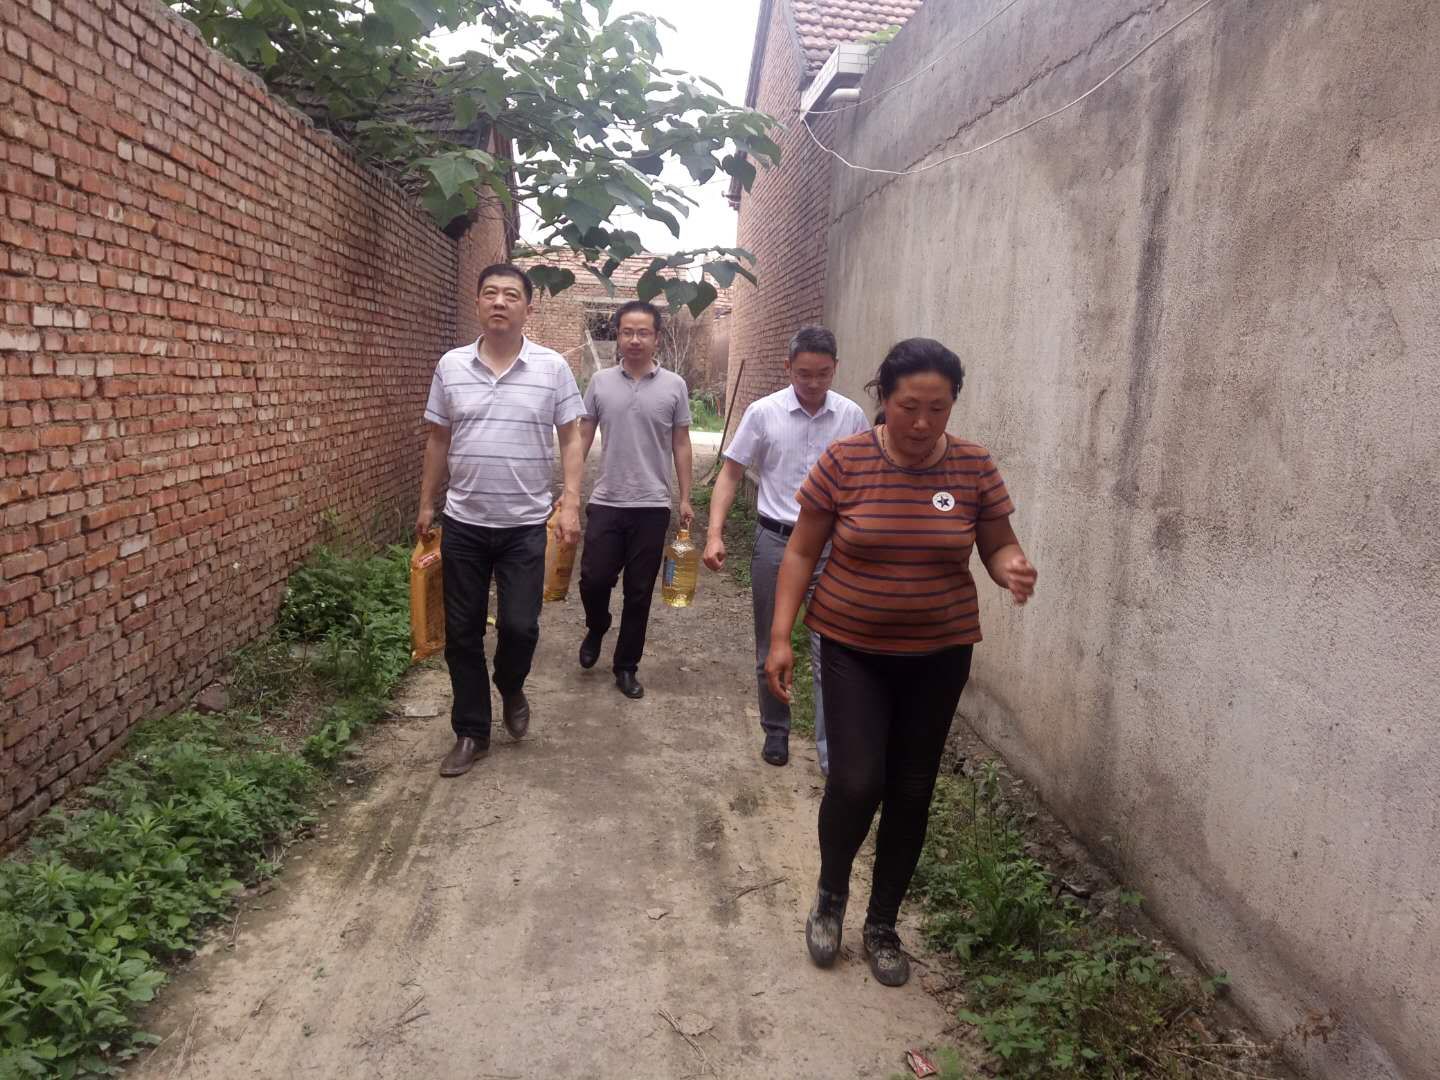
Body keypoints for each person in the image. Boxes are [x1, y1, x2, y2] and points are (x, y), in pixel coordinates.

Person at [764, 338, 1037, 987]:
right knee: (858, 781)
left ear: (952, 406)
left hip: (939, 655)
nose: (921, 422)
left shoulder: (973, 466)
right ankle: (831, 897)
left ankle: (883, 923)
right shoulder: (845, 460)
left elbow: (997, 544)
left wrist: (1012, 568)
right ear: (884, 398)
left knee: (913, 789)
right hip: (853, 648)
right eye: (909, 406)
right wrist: (780, 637)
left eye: (937, 409)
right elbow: (801, 551)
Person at [417, 263, 585, 778]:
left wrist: (571, 501)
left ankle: (510, 685)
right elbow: (438, 439)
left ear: (527, 308)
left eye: (511, 295)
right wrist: (426, 503)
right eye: (489, 292)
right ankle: (472, 732)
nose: (499, 302)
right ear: (477, 303)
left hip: (524, 524)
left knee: (520, 626)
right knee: (463, 632)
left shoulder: (552, 368)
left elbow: (572, 436)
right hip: (464, 522)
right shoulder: (451, 366)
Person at [703, 326, 868, 771]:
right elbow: (731, 474)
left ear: (835, 368)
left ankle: (832, 750)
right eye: (804, 374)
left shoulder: (851, 416)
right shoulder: (764, 413)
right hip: (777, 541)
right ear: (788, 368)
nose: (813, 383)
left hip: (833, 548)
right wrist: (714, 533)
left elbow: (865, 482)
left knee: (831, 650)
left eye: (823, 374)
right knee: (770, 642)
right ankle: (776, 730)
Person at [576, 300, 694, 700]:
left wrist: (685, 497)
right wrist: (570, 490)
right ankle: (597, 625)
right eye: (627, 332)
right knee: (594, 579)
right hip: (607, 499)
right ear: (618, 336)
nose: (635, 339)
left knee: (639, 591)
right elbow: (584, 434)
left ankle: (626, 666)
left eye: (643, 332)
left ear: (656, 338)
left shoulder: (674, 386)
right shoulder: (600, 382)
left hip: (652, 504)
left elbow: (681, 442)